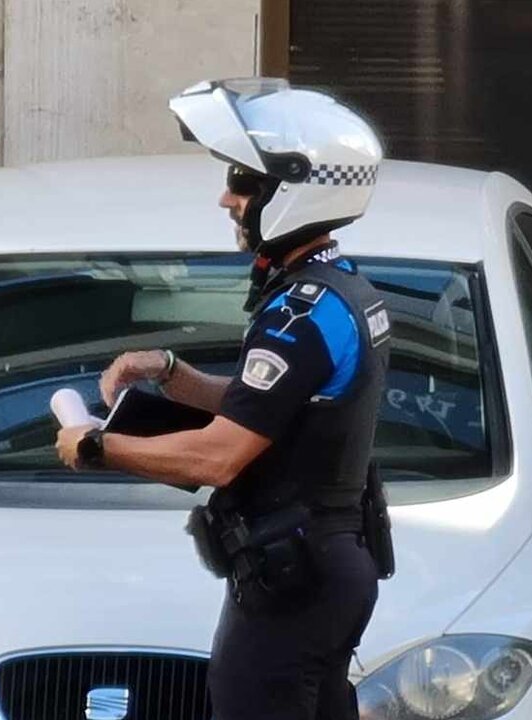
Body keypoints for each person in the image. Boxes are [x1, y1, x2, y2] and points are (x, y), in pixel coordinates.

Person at [54, 78, 392, 720]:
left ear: (294, 189)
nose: (227, 198)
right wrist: (172, 373)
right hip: (323, 564)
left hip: (296, 579)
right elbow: (264, 407)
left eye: (243, 182)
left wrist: (96, 444)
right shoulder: (339, 290)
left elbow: (219, 457)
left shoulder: (301, 314)